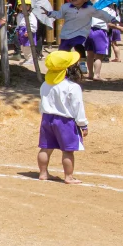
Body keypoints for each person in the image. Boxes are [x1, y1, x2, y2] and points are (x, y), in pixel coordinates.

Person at [37, 51, 87, 184]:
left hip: (47, 119)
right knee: (68, 150)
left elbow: (42, 103)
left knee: (45, 148)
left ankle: (43, 173)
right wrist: (83, 124)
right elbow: (78, 107)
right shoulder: (73, 87)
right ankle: (69, 177)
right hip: (65, 122)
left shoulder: (45, 84)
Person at [56, 0, 101, 81]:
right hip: (66, 33)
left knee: (78, 45)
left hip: (80, 33)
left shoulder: (89, 9)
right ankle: (65, 71)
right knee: (63, 52)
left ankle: (82, 63)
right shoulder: (67, 7)